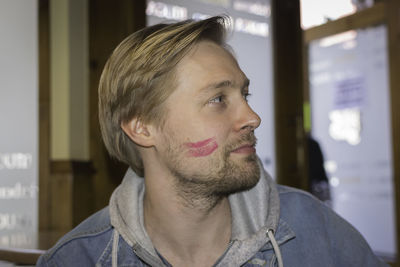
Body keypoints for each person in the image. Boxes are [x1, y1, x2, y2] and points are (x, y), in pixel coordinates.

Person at [37, 16, 387, 267]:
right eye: (218, 99)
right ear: (141, 127)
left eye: (244, 94)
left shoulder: (318, 234)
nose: (252, 117)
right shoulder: (76, 257)